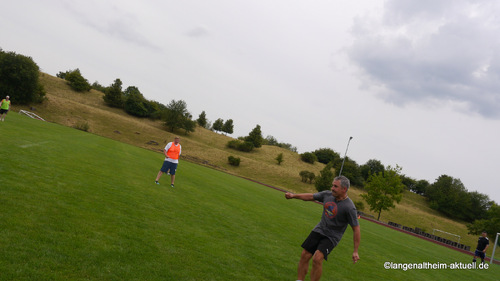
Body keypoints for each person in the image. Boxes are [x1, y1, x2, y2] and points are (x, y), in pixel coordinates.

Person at [285, 176, 360, 281]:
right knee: (305, 255)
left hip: (332, 236)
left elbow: (356, 229)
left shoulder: (349, 207)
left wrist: (355, 251)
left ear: (344, 189)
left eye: (335, 186)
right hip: (319, 229)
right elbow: (311, 196)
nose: (332, 188)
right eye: (332, 185)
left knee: (317, 258)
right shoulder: (327, 195)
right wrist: (293, 195)